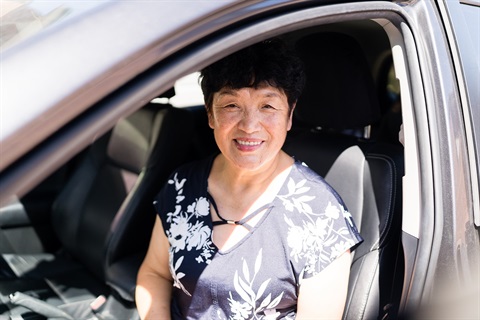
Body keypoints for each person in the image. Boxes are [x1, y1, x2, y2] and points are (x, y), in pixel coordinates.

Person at [135, 39, 363, 320]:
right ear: (210, 113)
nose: (249, 126)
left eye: (268, 106)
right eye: (232, 105)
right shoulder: (183, 185)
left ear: (290, 115)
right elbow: (154, 273)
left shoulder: (320, 214)